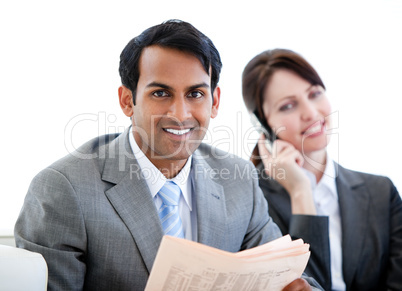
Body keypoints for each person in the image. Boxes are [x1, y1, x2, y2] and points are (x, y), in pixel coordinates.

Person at [14, 21, 321, 290]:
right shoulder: (63, 191)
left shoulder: (239, 181)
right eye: (160, 93)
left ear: (214, 101)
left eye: (195, 94)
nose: (180, 113)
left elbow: (294, 276)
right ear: (127, 101)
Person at [241, 48, 402, 291]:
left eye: (314, 94)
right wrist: (300, 192)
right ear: (262, 123)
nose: (311, 113)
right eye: (288, 106)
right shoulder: (250, 201)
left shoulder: (381, 192)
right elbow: (307, 285)